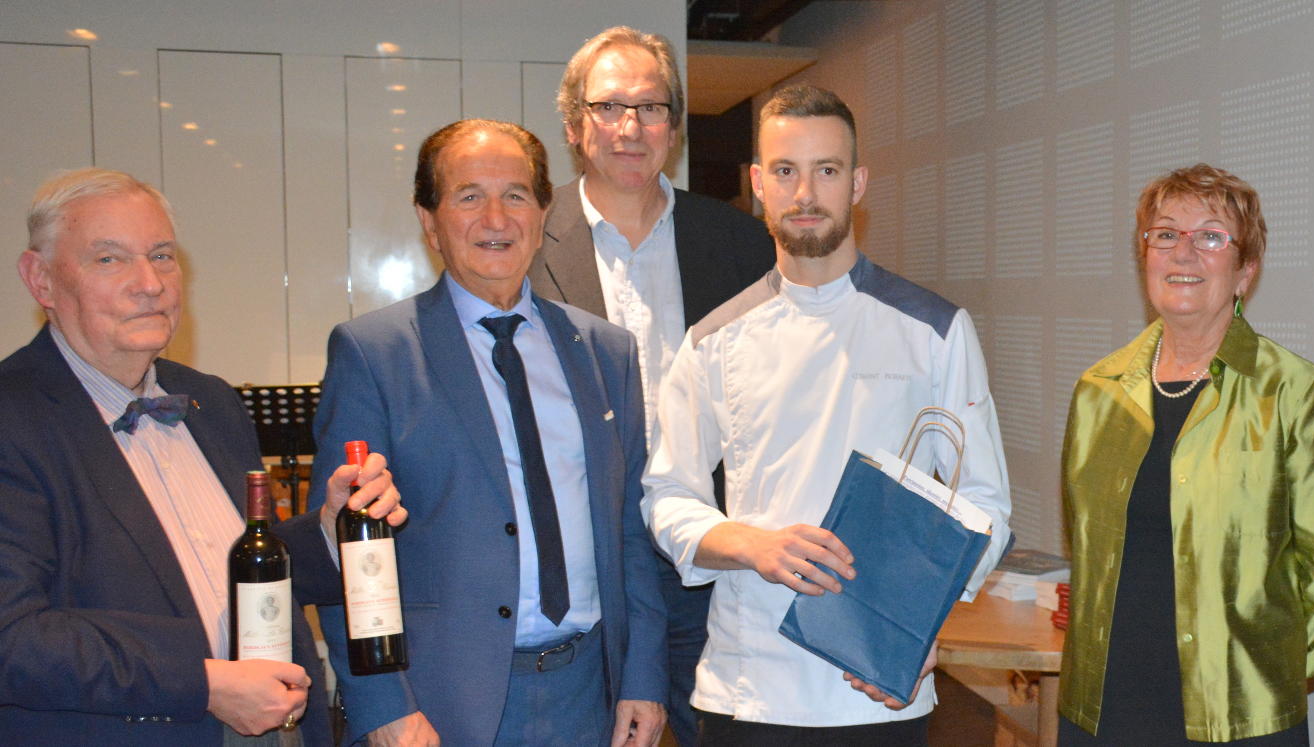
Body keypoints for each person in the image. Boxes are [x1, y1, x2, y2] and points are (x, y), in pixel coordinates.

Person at [642, 84, 1011, 744]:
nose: (805, 193)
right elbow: (667, 496)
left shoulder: (935, 330)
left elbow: (984, 505)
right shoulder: (712, 340)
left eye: (828, 170)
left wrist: (921, 623)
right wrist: (754, 544)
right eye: (786, 171)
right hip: (749, 686)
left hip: (880, 687)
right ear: (759, 184)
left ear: (858, 183)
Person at [0, 168, 403, 744]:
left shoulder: (209, 400)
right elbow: (13, 637)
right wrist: (203, 682)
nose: (149, 284)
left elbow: (233, 569)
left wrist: (329, 530)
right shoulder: (13, 417)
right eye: (109, 259)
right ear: (40, 280)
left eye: (162, 256)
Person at [299, 119, 666, 746]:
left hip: (589, 697)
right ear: (429, 220)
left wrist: (644, 676)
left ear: (543, 213)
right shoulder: (374, 353)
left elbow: (631, 528)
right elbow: (347, 551)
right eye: (469, 196)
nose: (496, 218)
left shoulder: (605, 352)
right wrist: (383, 705)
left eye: (516, 195)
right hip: (437, 705)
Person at [1059, 164, 1314, 744]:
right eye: (1165, 234)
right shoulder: (1098, 392)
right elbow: (1086, 545)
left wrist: (1263, 681)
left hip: (1238, 711)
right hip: (1106, 701)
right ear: (1145, 258)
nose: (1183, 252)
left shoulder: (1298, 394)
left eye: (1210, 236)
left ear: (1245, 271)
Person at [529, 26, 773, 747]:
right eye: (609, 106)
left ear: (675, 126)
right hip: (587, 564)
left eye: (651, 107)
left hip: (707, 561)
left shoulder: (739, 242)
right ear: (574, 124)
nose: (630, 127)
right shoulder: (527, 241)